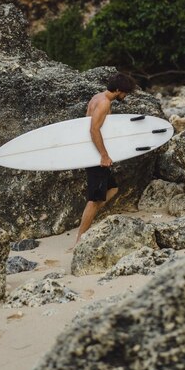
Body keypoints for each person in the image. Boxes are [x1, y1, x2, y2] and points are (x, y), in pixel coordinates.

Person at [75, 73, 136, 244]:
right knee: (94, 200)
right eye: (125, 92)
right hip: (96, 155)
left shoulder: (98, 96)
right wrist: (104, 155)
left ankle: (87, 222)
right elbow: (94, 130)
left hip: (94, 150)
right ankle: (80, 238)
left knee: (113, 189)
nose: (125, 96)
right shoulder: (104, 103)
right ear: (118, 90)